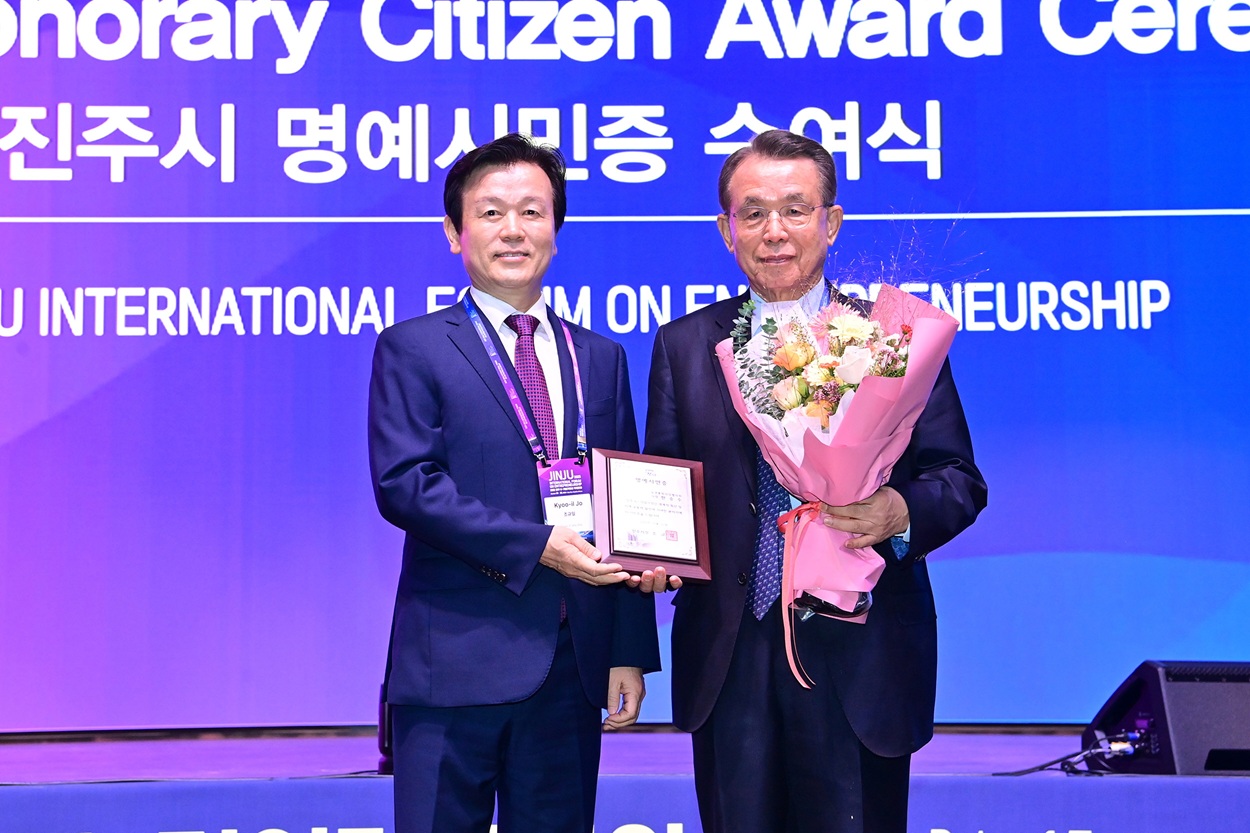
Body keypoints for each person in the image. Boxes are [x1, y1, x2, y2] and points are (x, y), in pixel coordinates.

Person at [642, 130, 988, 833]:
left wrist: (898, 511)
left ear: (831, 223)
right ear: (727, 231)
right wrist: (653, 552)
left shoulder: (892, 338)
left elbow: (958, 479)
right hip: (731, 656)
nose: (774, 231)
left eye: (795, 210)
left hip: (862, 649)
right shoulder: (684, 345)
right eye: (753, 213)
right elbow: (666, 485)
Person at [368, 133, 661, 833]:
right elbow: (406, 484)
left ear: (555, 230)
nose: (513, 229)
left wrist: (627, 651)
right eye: (491, 212)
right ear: (455, 232)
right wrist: (538, 545)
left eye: (532, 211)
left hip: (571, 666)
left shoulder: (600, 357)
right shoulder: (413, 347)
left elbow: (623, 502)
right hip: (452, 663)